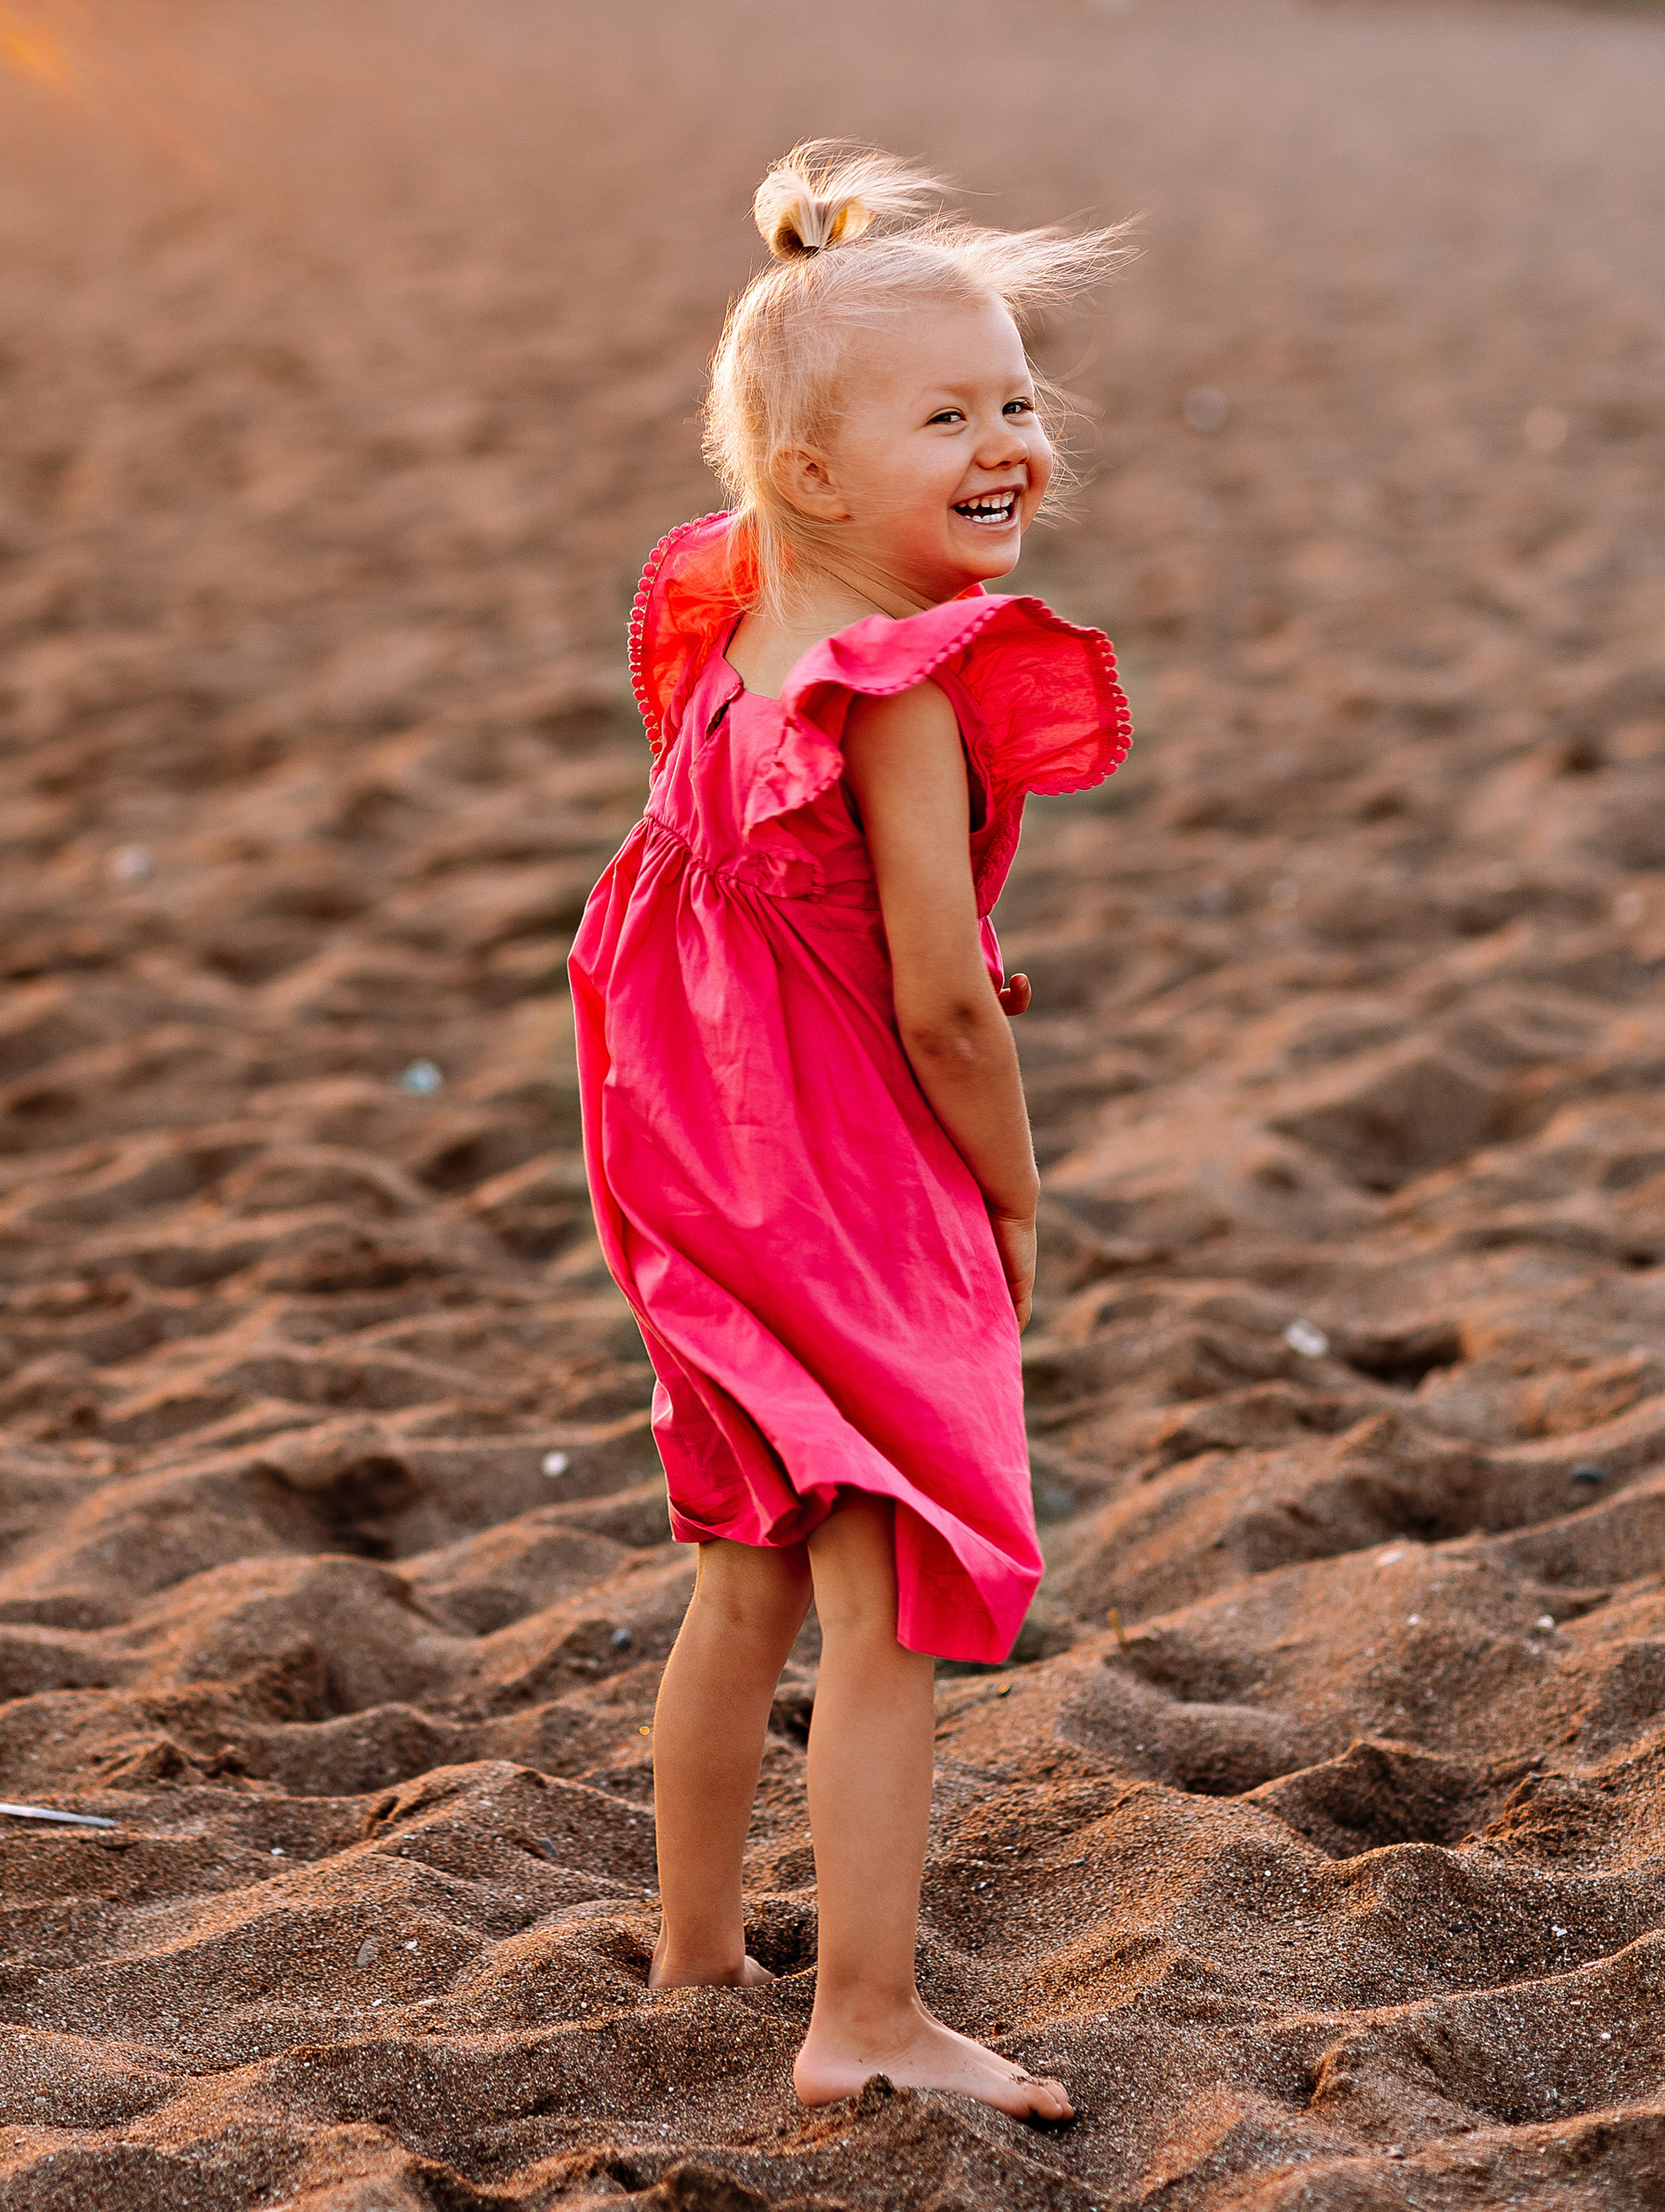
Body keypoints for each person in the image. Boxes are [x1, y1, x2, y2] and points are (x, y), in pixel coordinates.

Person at [570, 143, 1132, 2124]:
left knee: (748, 1561)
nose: (1003, 443)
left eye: (1015, 403)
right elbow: (937, 1004)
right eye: (946, 416)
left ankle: (698, 1944)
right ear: (810, 475)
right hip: (831, 1158)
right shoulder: (904, 685)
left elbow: (715, 884)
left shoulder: (737, 623)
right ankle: (865, 2015)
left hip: (688, 1133)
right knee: (884, 1591)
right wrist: (1009, 1183)